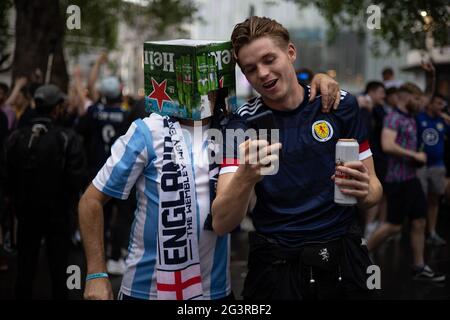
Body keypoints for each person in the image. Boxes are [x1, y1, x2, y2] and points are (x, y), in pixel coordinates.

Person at [77, 58, 342, 299]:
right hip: (147, 290)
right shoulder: (147, 130)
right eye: (188, 82)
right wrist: (96, 274)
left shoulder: (235, 130)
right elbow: (91, 201)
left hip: (215, 292)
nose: (198, 92)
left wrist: (320, 79)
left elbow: (282, 97)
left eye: (206, 84)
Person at [212, 16, 382, 300]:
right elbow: (222, 223)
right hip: (276, 267)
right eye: (251, 69)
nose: (263, 73)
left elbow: (375, 191)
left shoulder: (339, 105)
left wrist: (364, 191)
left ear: (290, 52)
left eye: (269, 59)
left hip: (344, 256)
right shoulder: (240, 126)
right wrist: (246, 176)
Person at [6, 84, 87, 299]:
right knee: (61, 271)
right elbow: (77, 179)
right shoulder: (67, 138)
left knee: (25, 267)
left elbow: (6, 178)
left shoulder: (16, 137)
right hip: (58, 216)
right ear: (57, 108)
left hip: (26, 215)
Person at [367, 83, 446, 282]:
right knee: (393, 226)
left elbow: (428, 95)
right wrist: (415, 155)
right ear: (406, 97)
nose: (421, 103)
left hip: (412, 179)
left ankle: (419, 267)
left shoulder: (410, 115)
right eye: (417, 99)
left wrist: (431, 77)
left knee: (419, 222)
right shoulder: (393, 117)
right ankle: (358, 253)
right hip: (398, 180)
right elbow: (387, 144)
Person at [416, 93, 449, 246]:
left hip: (438, 165)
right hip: (421, 165)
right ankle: (418, 232)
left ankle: (432, 232)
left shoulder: (443, 120)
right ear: (430, 104)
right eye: (438, 103)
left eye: (442, 104)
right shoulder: (419, 117)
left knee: (435, 199)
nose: (440, 106)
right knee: (421, 199)